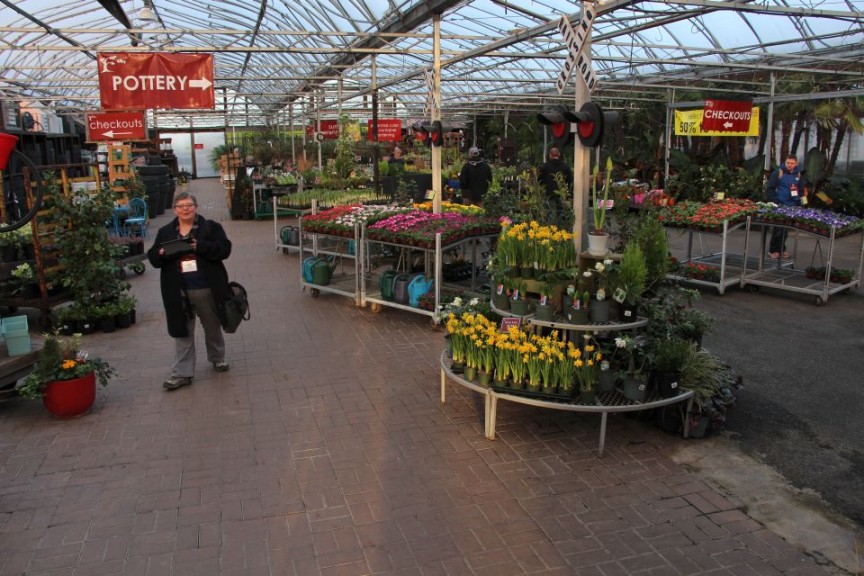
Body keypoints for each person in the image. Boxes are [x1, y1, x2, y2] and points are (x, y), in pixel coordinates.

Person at [147, 192, 233, 391]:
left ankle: (217, 358)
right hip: (178, 291)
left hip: (205, 287)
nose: (185, 209)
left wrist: (201, 246)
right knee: (182, 331)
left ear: (196, 207)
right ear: (175, 209)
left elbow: (225, 249)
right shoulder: (166, 232)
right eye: (180, 205)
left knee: (212, 326)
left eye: (189, 205)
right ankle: (182, 373)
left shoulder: (210, 227)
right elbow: (152, 257)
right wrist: (159, 253)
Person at [765, 155, 809, 259]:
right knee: (778, 228)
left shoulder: (798, 175)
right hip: (780, 204)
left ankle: (781, 249)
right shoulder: (778, 173)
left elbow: (802, 191)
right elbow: (770, 188)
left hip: (793, 205)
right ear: (785, 162)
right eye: (788, 163)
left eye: (792, 163)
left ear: (796, 164)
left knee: (786, 229)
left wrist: (804, 204)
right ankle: (773, 250)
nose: (789, 165)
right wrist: (775, 201)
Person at [537, 147, 573, 226]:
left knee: (551, 215)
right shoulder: (565, 166)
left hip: (549, 195)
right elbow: (570, 181)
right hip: (561, 194)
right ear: (559, 154)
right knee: (562, 214)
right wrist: (569, 193)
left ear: (550, 155)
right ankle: (562, 231)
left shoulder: (544, 166)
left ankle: (553, 232)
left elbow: (539, 180)